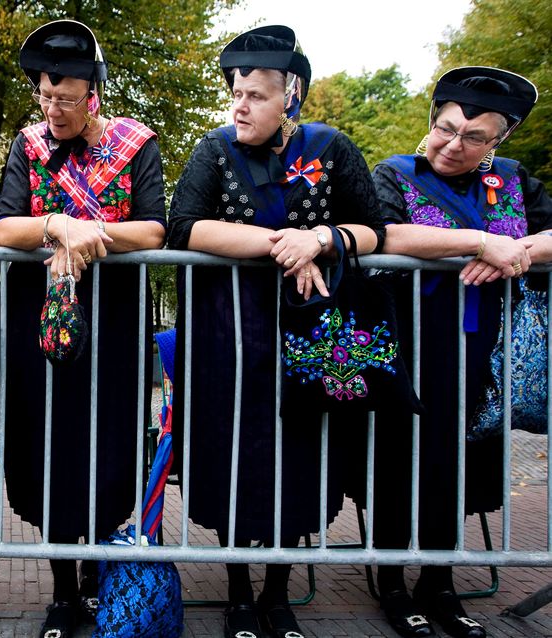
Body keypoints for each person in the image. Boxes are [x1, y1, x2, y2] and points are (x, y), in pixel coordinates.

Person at [167, 25, 387, 638]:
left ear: (291, 96)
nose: (240, 105)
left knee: (299, 457)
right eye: (236, 92)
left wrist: (320, 237)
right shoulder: (213, 150)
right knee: (234, 455)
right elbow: (182, 227)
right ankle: (238, 592)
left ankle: (279, 592)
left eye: (256, 95)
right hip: (228, 335)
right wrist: (279, 245)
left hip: (312, 335)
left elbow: (372, 230)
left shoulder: (331, 146)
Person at [359, 67, 552, 638]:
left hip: (484, 351)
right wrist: (478, 241)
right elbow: (383, 234)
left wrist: (516, 246)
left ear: (500, 140)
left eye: (474, 138)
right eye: (446, 129)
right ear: (433, 121)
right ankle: (392, 587)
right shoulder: (395, 174)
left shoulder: (516, 184)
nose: (454, 144)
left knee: (458, 470)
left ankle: (439, 585)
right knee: (398, 463)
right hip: (407, 345)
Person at [0, 20, 166, 638]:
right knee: (51, 449)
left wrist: (90, 235)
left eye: (66, 98)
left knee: (109, 446)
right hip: (42, 318)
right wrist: (57, 226)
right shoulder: (27, 144)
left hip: (114, 321)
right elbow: (4, 228)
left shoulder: (136, 143)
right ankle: (63, 590)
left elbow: (153, 229)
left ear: (93, 92)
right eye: (45, 96)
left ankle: (99, 573)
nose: (54, 110)